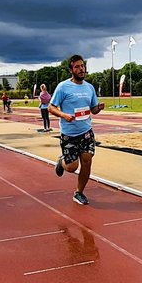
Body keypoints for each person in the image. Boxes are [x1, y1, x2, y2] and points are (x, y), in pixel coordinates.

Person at [49, 54, 104, 205]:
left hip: (86, 132)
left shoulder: (89, 87)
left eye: (82, 66)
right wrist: (63, 115)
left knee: (87, 162)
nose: (81, 69)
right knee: (73, 167)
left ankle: (79, 192)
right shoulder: (63, 87)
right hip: (69, 134)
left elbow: (92, 109)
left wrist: (98, 108)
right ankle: (62, 162)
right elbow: (51, 107)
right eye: (77, 67)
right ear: (71, 70)